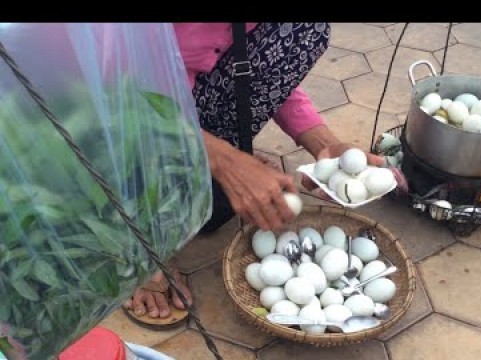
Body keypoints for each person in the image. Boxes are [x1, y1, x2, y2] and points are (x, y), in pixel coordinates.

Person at [122, 22, 384, 328]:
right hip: (122, 107)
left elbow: (261, 67)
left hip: (189, 105)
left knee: (303, 29)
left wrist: (324, 146)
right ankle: (130, 235)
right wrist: (224, 161)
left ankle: (199, 159)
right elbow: (103, 91)